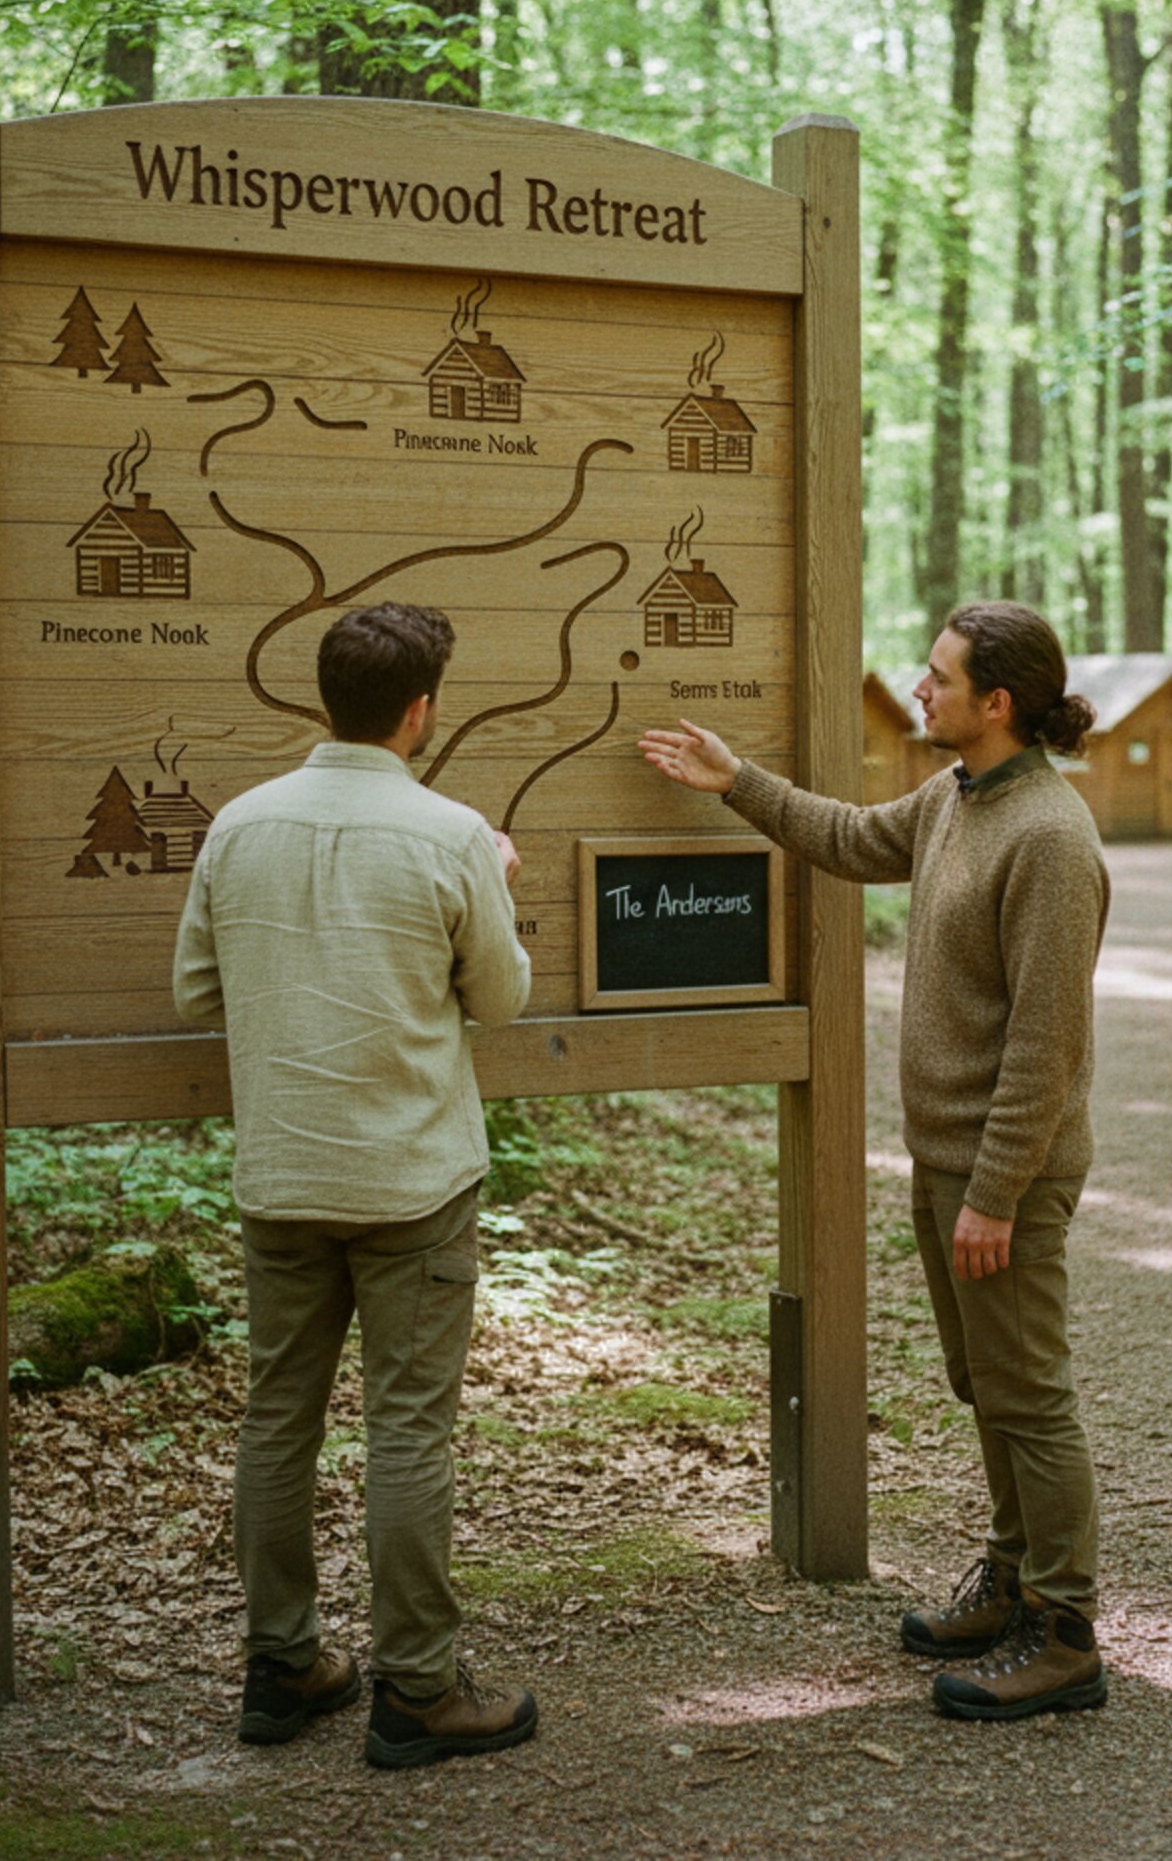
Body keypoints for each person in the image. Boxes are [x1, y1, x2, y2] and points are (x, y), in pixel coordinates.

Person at [640, 601, 1110, 1721]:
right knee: (981, 1380)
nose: (917, 688)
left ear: (995, 703)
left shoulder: (1048, 836)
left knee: (1028, 1392)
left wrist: (993, 1193)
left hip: (1006, 1172)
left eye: (936, 676)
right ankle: (1010, 1579)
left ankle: (1065, 1629)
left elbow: (1045, 1048)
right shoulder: (957, 798)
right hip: (948, 1161)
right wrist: (735, 779)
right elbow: (852, 838)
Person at [174, 601, 538, 1770]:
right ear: (420, 709)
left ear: (321, 696)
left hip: (281, 1172)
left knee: (277, 1419)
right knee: (408, 1432)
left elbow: (194, 992)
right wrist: (499, 885)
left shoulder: (237, 825)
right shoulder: (451, 836)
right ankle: (418, 1688)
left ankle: (283, 1664)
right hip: (412, 1178)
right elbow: (502, 997)